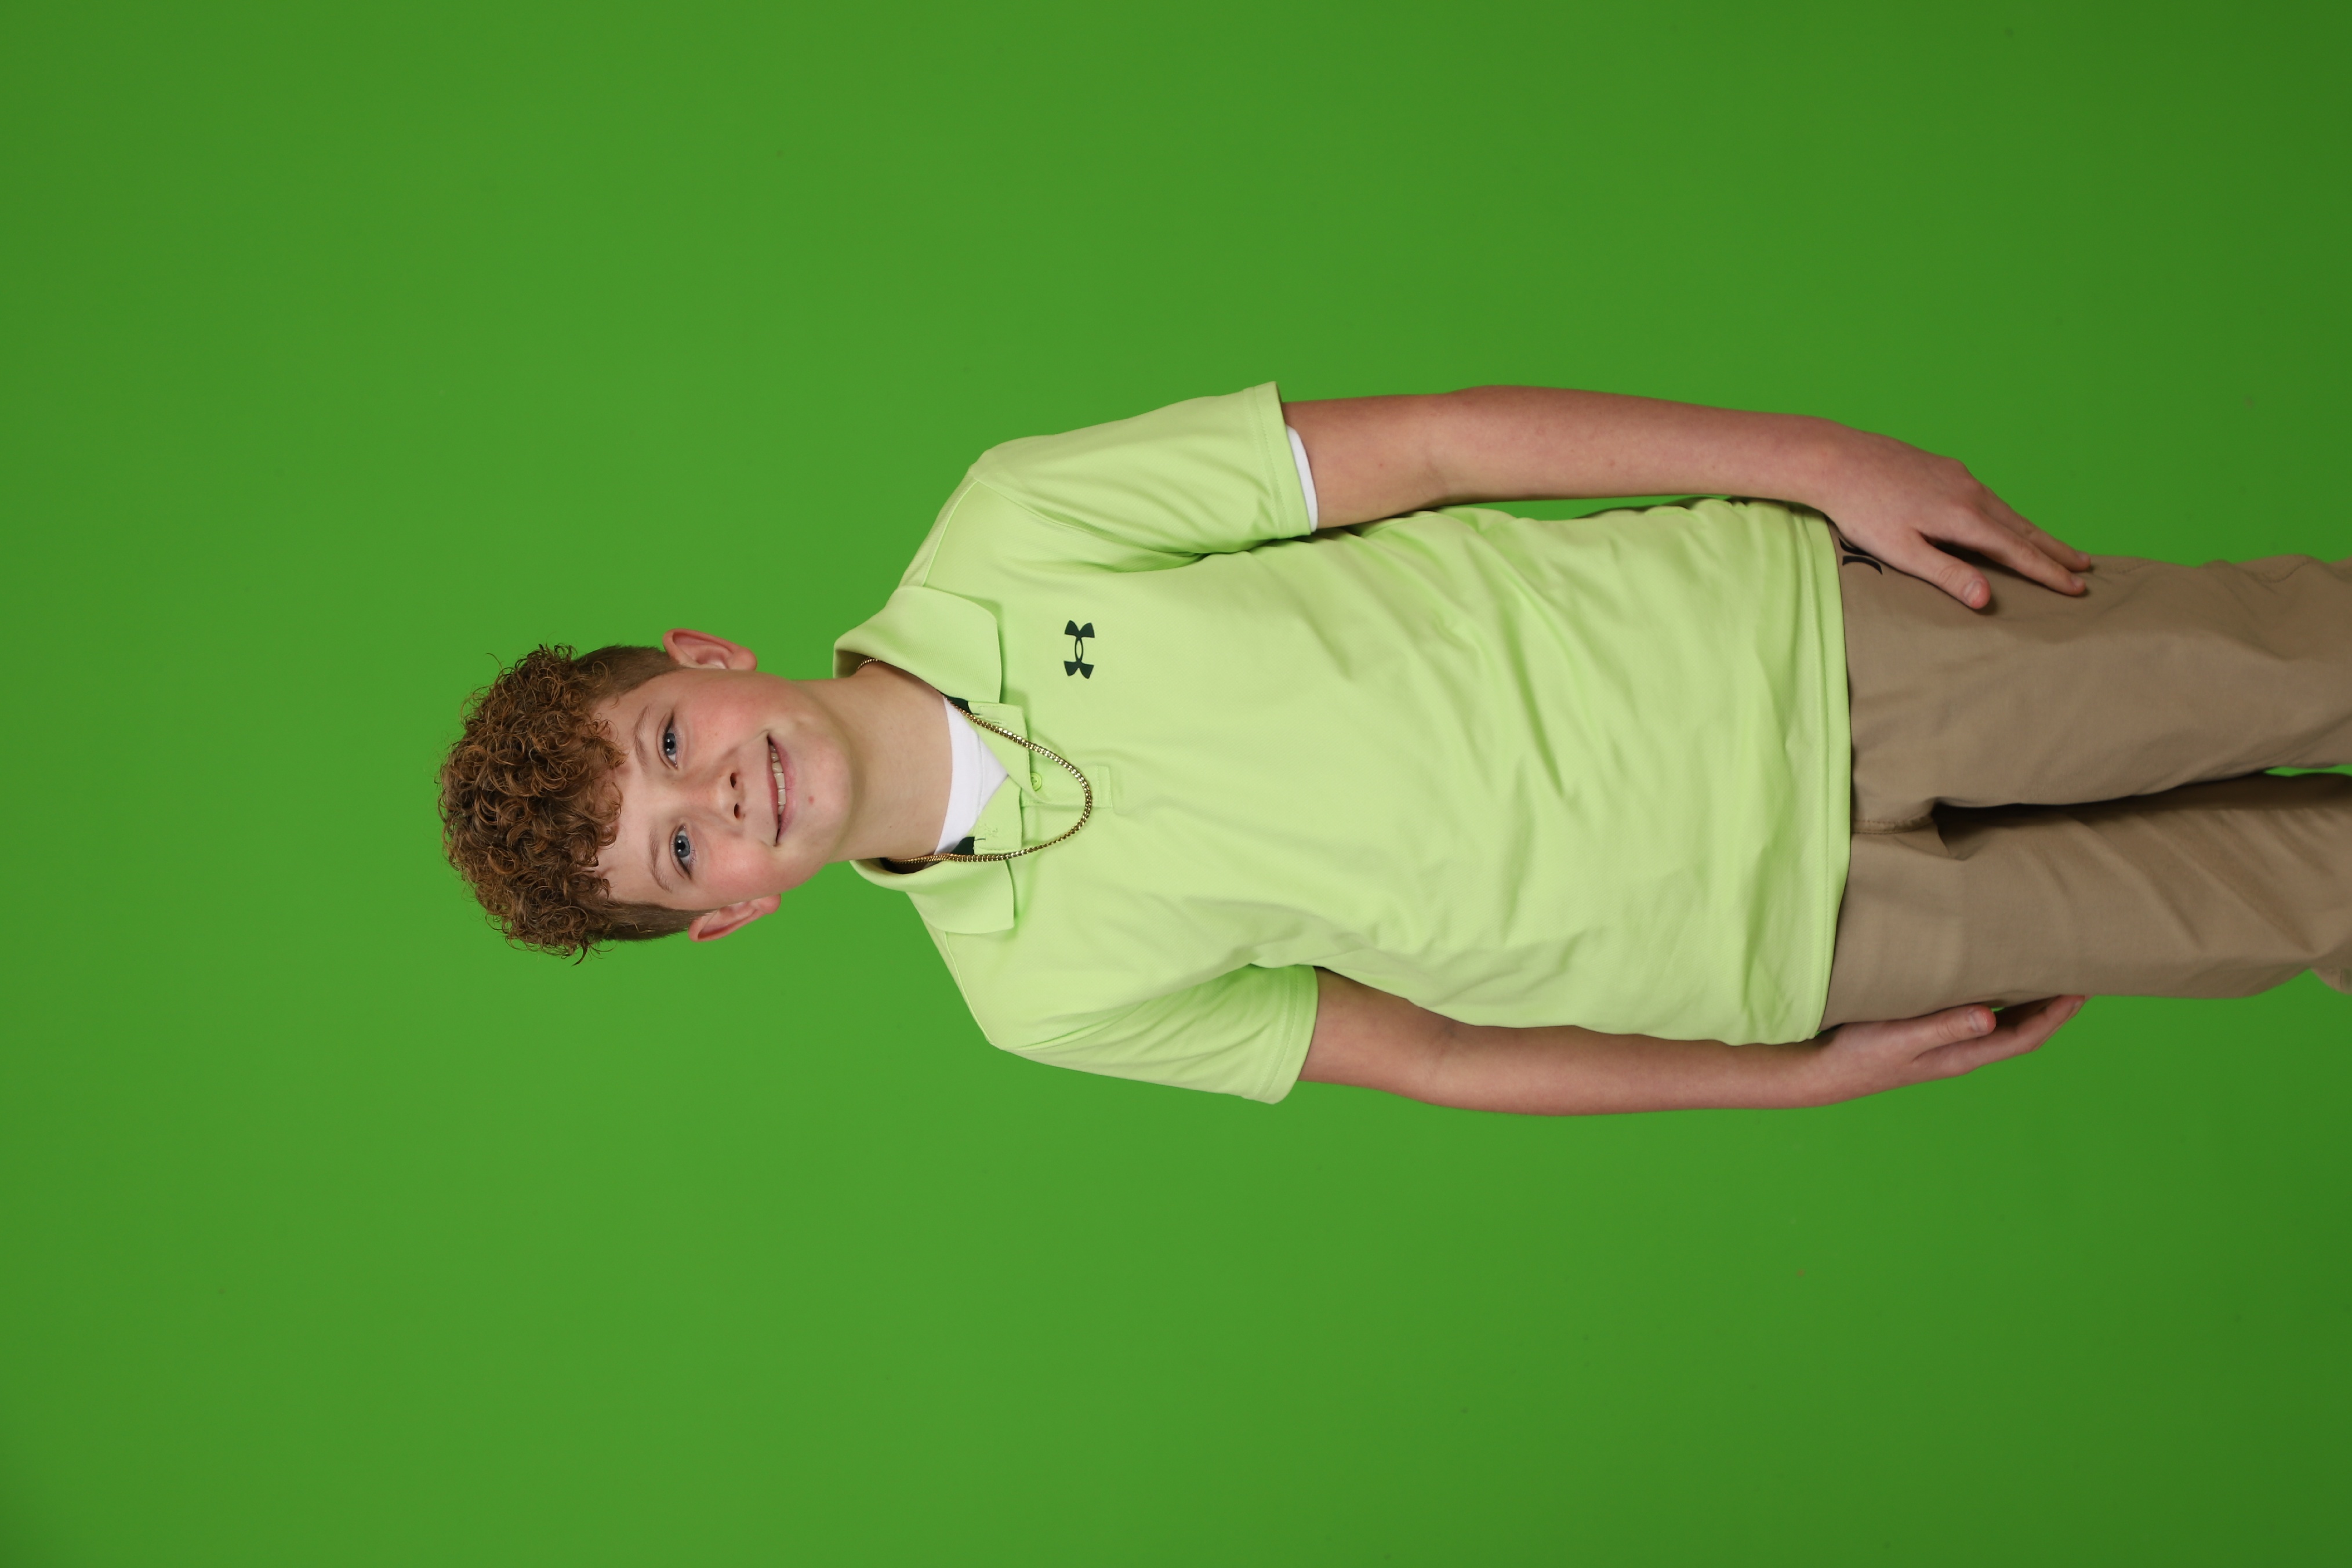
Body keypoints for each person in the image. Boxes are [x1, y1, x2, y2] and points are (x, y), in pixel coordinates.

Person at [437, 386, 2352, 1114]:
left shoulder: (1014, 522)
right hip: (1784, 945)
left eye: (670, 741)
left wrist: (1814, 462)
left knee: (2286, 668)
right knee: (2296, 903)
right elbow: (1430, 1057)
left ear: (707, 657)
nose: (717, 795)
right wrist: (1777, 1083)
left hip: (1799, 656)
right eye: (679, 847)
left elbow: (1432, 449)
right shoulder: (1038, 997)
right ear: (731, 916)